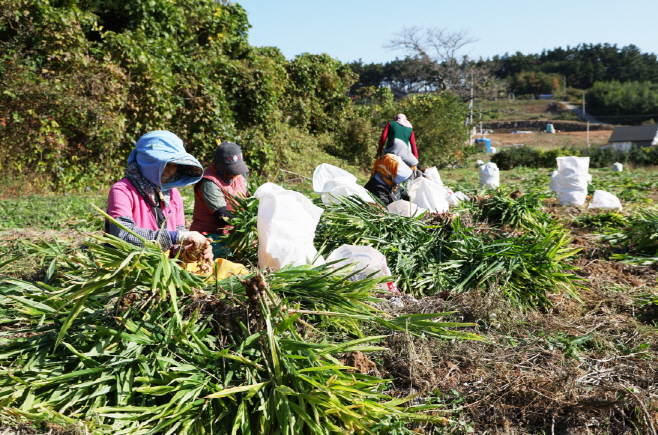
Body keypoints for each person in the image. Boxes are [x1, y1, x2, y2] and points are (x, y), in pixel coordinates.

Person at [106, 130, 212, 263]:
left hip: (164, 265)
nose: (170, 170)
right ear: (148, 160)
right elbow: (122, 234)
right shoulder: (123, 190)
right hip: (130, 265)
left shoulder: (173, 195)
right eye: (165, 163)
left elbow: (176, 248)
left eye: (174, 165)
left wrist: (192, 251)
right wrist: (178, 237)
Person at [190, 141, 249, 258]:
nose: (235, 175)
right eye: (231, 170)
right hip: (211, 237)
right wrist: (248, 221)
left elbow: (250, 198)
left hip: (233, 236)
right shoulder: (209, 182)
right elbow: (222, 216)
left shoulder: (239, 178)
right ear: (219, 165)